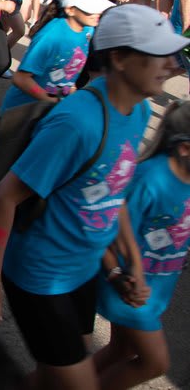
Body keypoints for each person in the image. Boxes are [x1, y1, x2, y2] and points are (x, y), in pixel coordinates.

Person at [0, 3, 187, 390]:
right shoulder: (78, 121)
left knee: (60, 375)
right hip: (41, 276)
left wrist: (128, 265)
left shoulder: (136, 113)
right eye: (160, 55)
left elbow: (113, 194)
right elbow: (6, 197)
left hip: (82, 271)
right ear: (120, 58)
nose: (173, 66)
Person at [0, 0, 113, 227]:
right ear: (70, 10)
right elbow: (22, 79)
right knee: (0, 163)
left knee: (34, 164)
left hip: (53, 110)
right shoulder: (53, 34)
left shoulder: (87, 30)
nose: (97, 14)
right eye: (91, 9)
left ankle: (20, 213)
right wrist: (50, 98)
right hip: (23, 111)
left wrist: (71, 91)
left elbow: (68, 70)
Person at [93, 101, 190, 390]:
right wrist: (116, 274)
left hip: (156, 288)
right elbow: (109, 232)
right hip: (128, 287)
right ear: (184, 148)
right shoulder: (150, 178)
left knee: (122, 351)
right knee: (155, 362)